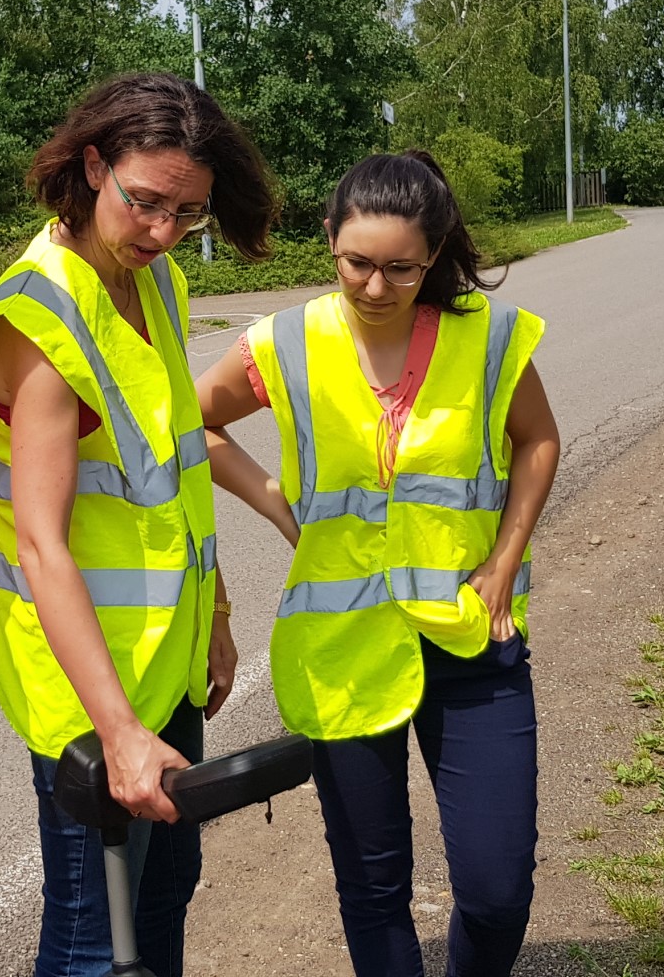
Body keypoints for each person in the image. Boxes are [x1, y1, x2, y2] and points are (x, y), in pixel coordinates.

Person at [195, 150, 562, 977]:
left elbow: (538, 439)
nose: (374, 285)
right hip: (343, 648)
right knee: (372, 887)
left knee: (498, 892)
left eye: (402, 266)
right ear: (329, 238)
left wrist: (506, 559)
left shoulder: (490, 336)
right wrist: (280, 508)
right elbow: (194, 424)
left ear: (434, 254)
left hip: (472, 639)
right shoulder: (286, 341)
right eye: (356, 261)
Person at [0, 72, 277, 977]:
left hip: (167, 665)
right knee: (95, 944)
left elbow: (177, 463)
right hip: (91, 693)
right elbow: (41, 543)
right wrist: (121, 733)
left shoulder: (158, 284)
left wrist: (214, 615)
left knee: (166, 895)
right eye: (145, 202)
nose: (164, 231)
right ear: (93, 165)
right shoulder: (38, 322)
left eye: (190, 212)